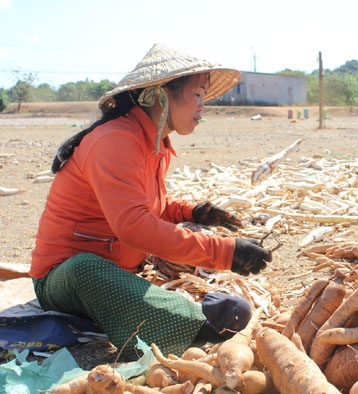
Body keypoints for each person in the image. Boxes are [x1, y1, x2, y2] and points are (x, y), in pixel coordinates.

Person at [28, 43, 273, 360]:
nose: (202, 107)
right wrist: (225, 251)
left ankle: (175, 317)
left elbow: (150, 205)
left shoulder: (153, 143)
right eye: (197, 94)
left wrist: (191, 212)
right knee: (83, 268)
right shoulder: (115, 141)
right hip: (63, 282)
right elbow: (134, 227)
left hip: (118, 275)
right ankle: (189, 327)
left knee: (204, 271)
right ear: (158, 94)